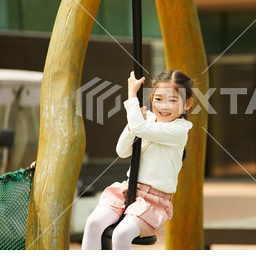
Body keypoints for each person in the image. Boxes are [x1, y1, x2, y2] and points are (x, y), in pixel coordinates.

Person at [82, 69, 194, 250]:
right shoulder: (145, 120)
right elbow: (122, 151)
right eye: (159, 99)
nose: (164, 106)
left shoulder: (179, 130)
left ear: (187, 104)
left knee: (121, 234)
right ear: (151, 99)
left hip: (154, 201)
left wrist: (132, 96)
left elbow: (140, 128)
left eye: (172, 100)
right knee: (93, 223)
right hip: (129, 189)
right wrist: (133, 125)